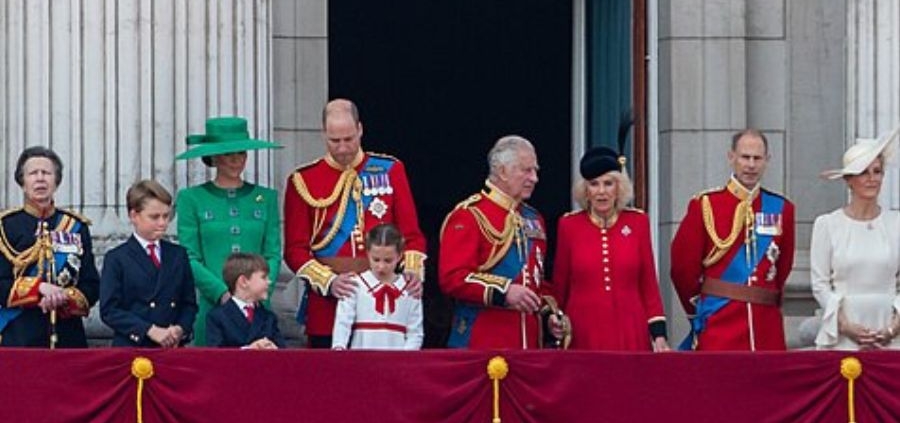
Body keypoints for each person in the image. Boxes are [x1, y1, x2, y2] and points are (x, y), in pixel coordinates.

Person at [283, 99, 427, 348]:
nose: (342, 149)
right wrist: (329, 282)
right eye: (334, 141)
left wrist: (412, 271)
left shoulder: (390, 170)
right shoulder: (303, 180)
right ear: (323, 134)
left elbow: (411, 235)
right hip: (331, 301)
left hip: (385, 299)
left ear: (360, 129)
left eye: (348, 139)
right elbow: (295, 250)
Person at [671, 129, 796, 351]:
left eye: (757, 158)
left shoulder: (782, 208)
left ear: (767, 161)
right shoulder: (706, 205)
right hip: (720, 322)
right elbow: (683, 269)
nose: (751, 165)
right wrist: (699, 311)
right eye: (745, 157)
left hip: (765, 326)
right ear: (731, 157)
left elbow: (782, 267)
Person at [439, 135, 563, 349]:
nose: (534, 178)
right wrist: (504, 292)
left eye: (535, 171)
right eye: (526, 170)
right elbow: (453, 278)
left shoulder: (534, 219)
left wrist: (549, 315)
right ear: (502, 171)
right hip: (482, 343)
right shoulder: (470, 215)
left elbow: (535, 283)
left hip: (529, 347)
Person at [175, 116, 283, 346]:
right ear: (214, 157)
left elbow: (272, 252)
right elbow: (190, 256)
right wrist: (221, 293)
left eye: (241, 153)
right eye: (228, 154)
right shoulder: (191, 199)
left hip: (258, 309)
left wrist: (261, 289)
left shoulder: (265, 198)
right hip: (213, 305)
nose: (236, 160)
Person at [552, 145, 669, 351]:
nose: (602, 192)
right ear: (585, 190)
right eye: (594, 184)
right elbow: (560, 285)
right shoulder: (569, 225)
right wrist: (554, 319)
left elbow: (649, 285)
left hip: (631, 329)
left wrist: (659, 335)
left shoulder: (638, 222)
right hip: (583, 331)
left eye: (608, 183)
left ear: (619, 188)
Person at [0, 147, 99, 348]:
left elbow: (91, 285)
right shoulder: (6, 226)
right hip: (20, 336)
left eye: (46, 173)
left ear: (56, 181)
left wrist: (63, 297)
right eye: (33, 173)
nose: (40, 179)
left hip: (68, 336)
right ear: (22, 181)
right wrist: (39, 290)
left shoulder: (75, 226)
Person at [811, 127, 900, 350]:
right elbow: (820, 284)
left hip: (890, 332)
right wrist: (845, 326)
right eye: (863, 172)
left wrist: (893, 328)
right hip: (843, 334)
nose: (871, 179)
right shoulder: (828, 225)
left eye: (877, 171)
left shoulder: (896, 223)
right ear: (849, 180)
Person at [100, 180, 198, 347]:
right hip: (133, 346)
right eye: (154, 217)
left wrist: (180, 329)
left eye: (166, 216)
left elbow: (189, 303)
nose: (162, 223)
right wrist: (148, 330)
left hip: (171, 347)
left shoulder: (177, 254)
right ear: (134, 216)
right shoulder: (117, 258)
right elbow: (110, 310)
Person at [332, 223, 423, 350]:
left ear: (400, 256)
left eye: (388, 260)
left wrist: (405, 360)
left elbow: (415, 333)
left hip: (397, 361)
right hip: (361, 357)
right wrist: (338, 348)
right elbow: (343, 323)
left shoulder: (410, 289)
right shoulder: (355, 284)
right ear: (368, 253)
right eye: (376, 259)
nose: (381, 266)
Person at [207, 252, 286, 349]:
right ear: (243, 281)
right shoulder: (217, 317)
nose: (269, 282)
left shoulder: (269, 318)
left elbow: (283, 353)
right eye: (264, 277)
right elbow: (216, 355)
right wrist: (249, 350)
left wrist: (273, 348)